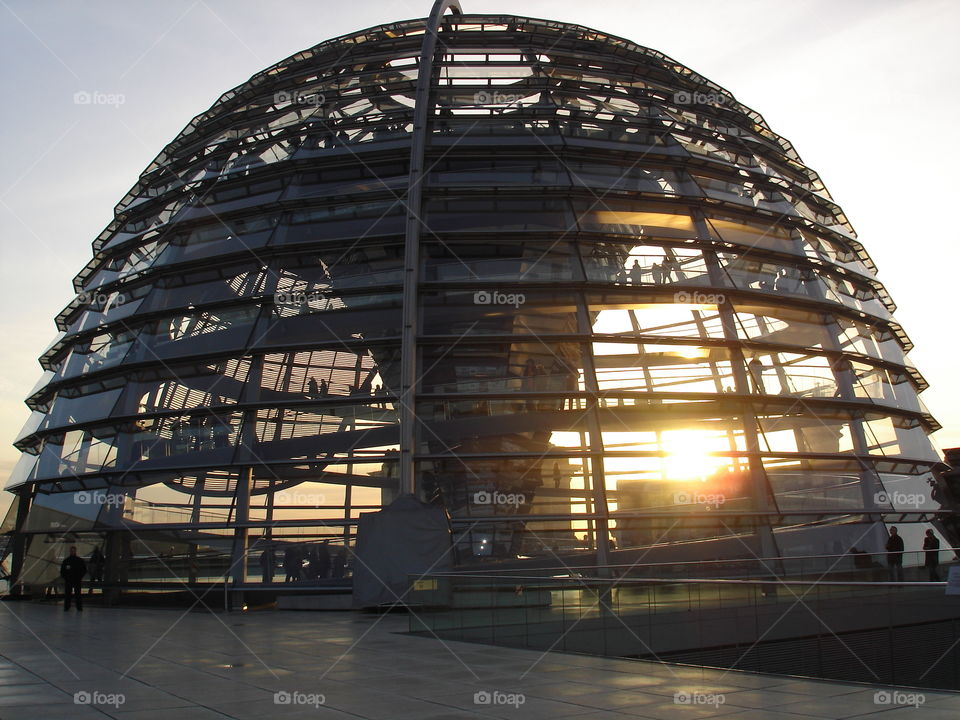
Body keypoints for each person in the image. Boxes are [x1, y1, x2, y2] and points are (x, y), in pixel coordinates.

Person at [60, 546, 86, 612]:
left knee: (78, 594)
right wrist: (66, 578)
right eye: (71, 551)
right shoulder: (66, 561)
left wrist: (79, 577)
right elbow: (62, 571)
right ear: (70, 551)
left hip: (77, 580)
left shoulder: (80, 561)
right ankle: (67, 607)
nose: (72, 552)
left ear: (75, 551)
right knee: (68, 594)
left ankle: (79, 607)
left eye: (73, 551)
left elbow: (84, 570)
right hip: (69, 580)